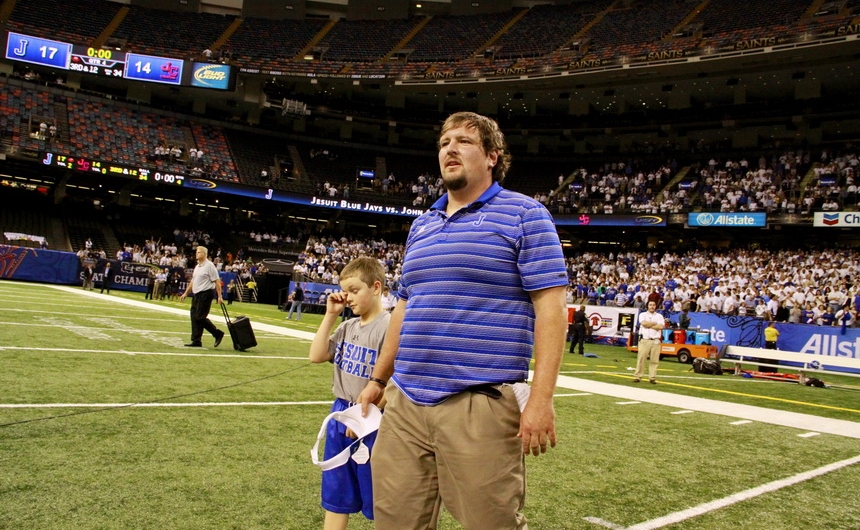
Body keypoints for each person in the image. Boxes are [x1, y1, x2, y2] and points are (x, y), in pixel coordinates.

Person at [357, 112, 569, 530]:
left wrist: (541, 400)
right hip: (406, 403)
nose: (449, 148)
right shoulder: (422, 226)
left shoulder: (525, 214)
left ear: (492, 156)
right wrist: (379, 380)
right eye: (443, 142)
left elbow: (551, 309)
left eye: (463, 141)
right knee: (395, 523)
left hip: (480, 402)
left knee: (490, 524)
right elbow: (405, 307)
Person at [309, 257, 390, 530]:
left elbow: (397, 380)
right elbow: (317, 355)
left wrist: (365, 416)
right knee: (336, 492)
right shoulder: (347, 327)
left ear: (376, 287)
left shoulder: (389, 326)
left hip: (374, 419)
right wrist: (331, 314)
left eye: (355, 290)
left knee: (380, 498)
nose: (349, 298)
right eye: (346, 291)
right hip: (341, 414)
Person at [179, 246, 225, 348]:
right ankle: (196, 340)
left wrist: (219, 296)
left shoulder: (209, 266)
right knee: (194, 317)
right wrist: (186, 293)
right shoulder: (198, 266)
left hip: (206, 293)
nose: (196, 254)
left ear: (204, 254)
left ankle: (217, 333)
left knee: (200, 317)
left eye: (199, 252)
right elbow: (193, 281)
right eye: (196, 252)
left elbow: (217, 281)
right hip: (197, 294)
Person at [634, 300, 664, 384]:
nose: (652, 306)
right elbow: (643, 324)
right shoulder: (642, 315)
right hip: (645, 340)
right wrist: (654, 324)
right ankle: (638, 376)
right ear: (647, 306)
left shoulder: (659, 316)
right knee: (641, 359)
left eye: (654, 305)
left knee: (654, 360)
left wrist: (649, 325)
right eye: (650, 305)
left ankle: (652, 377)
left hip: (655, 340)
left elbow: (660, 326)